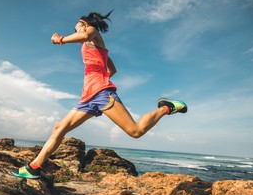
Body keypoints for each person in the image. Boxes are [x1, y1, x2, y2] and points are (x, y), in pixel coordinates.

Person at [11, 10, 187, 182]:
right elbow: (113, 69)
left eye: (77, 27)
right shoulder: (98, 49)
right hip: (88, 97)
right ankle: (34, 168)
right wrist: (99, 77)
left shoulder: (92, 33)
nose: (76, 30)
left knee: (135, 131)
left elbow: (85, 36)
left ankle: (166, 107)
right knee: (59, 128)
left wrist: (61, 39)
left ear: (85, 23)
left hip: (102, 93)